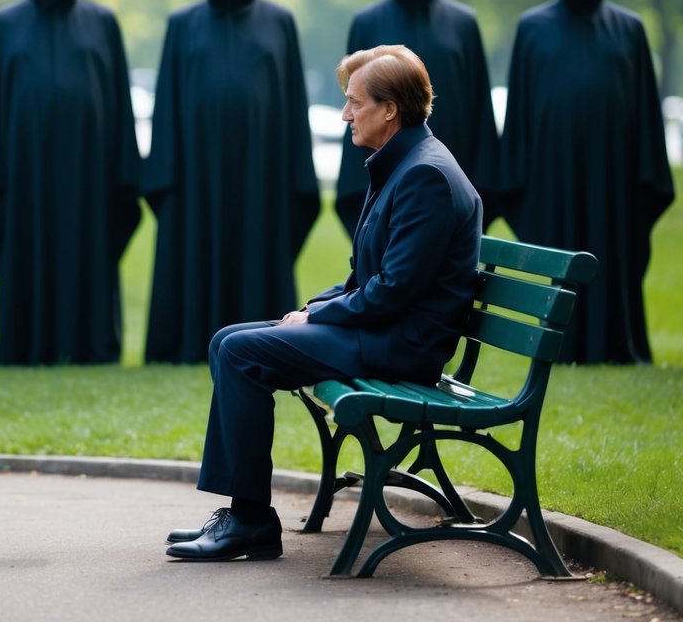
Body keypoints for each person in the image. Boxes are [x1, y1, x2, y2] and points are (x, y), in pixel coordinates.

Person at [165, 45, 481, 561]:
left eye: (355, 103)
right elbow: (366, 277)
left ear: (389, 110)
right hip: (383, 331)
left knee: (242, 353)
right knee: (228, 340)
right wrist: (315, 306)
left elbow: (393, 291)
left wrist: (317, 315)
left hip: (403, 346)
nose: (345, 114)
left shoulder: (426, 175)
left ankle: (250, 521)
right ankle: (244, 516)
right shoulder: (404, 164)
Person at [0, 0, 141, 365]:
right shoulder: (6, 26)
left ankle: (90, 345)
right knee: (28, 257)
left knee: (89, 256)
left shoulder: (101, 23)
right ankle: (28, 345)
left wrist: (125, 175)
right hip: (26, 180)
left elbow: (118, 102)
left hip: (90, 178)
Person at [143, 0, 319, 364]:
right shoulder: (182, 25)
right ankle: (188, 342)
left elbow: (292, 100)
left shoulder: (279, 22)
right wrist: (164, 173)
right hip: (195, 175)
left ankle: (263, 340)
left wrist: (297, 173)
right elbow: (167, 101)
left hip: (261, 171)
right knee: (195, 246)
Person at [499, 0, 673, 364]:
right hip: (550, 177)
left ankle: (615, 343)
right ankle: (559, 342)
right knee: (559, 249)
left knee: (609, 251)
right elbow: (519, 111)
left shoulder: (629, 30)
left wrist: (646, 176)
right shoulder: (532, 29)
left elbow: (646, 112)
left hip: (613, 178)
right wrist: (516, 178)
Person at [335, 0, 498, 235]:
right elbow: (355, 95)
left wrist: (483, 182)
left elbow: (479, 107)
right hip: (381, 168)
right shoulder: (368, 23)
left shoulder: (463, 24)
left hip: (451, 170)